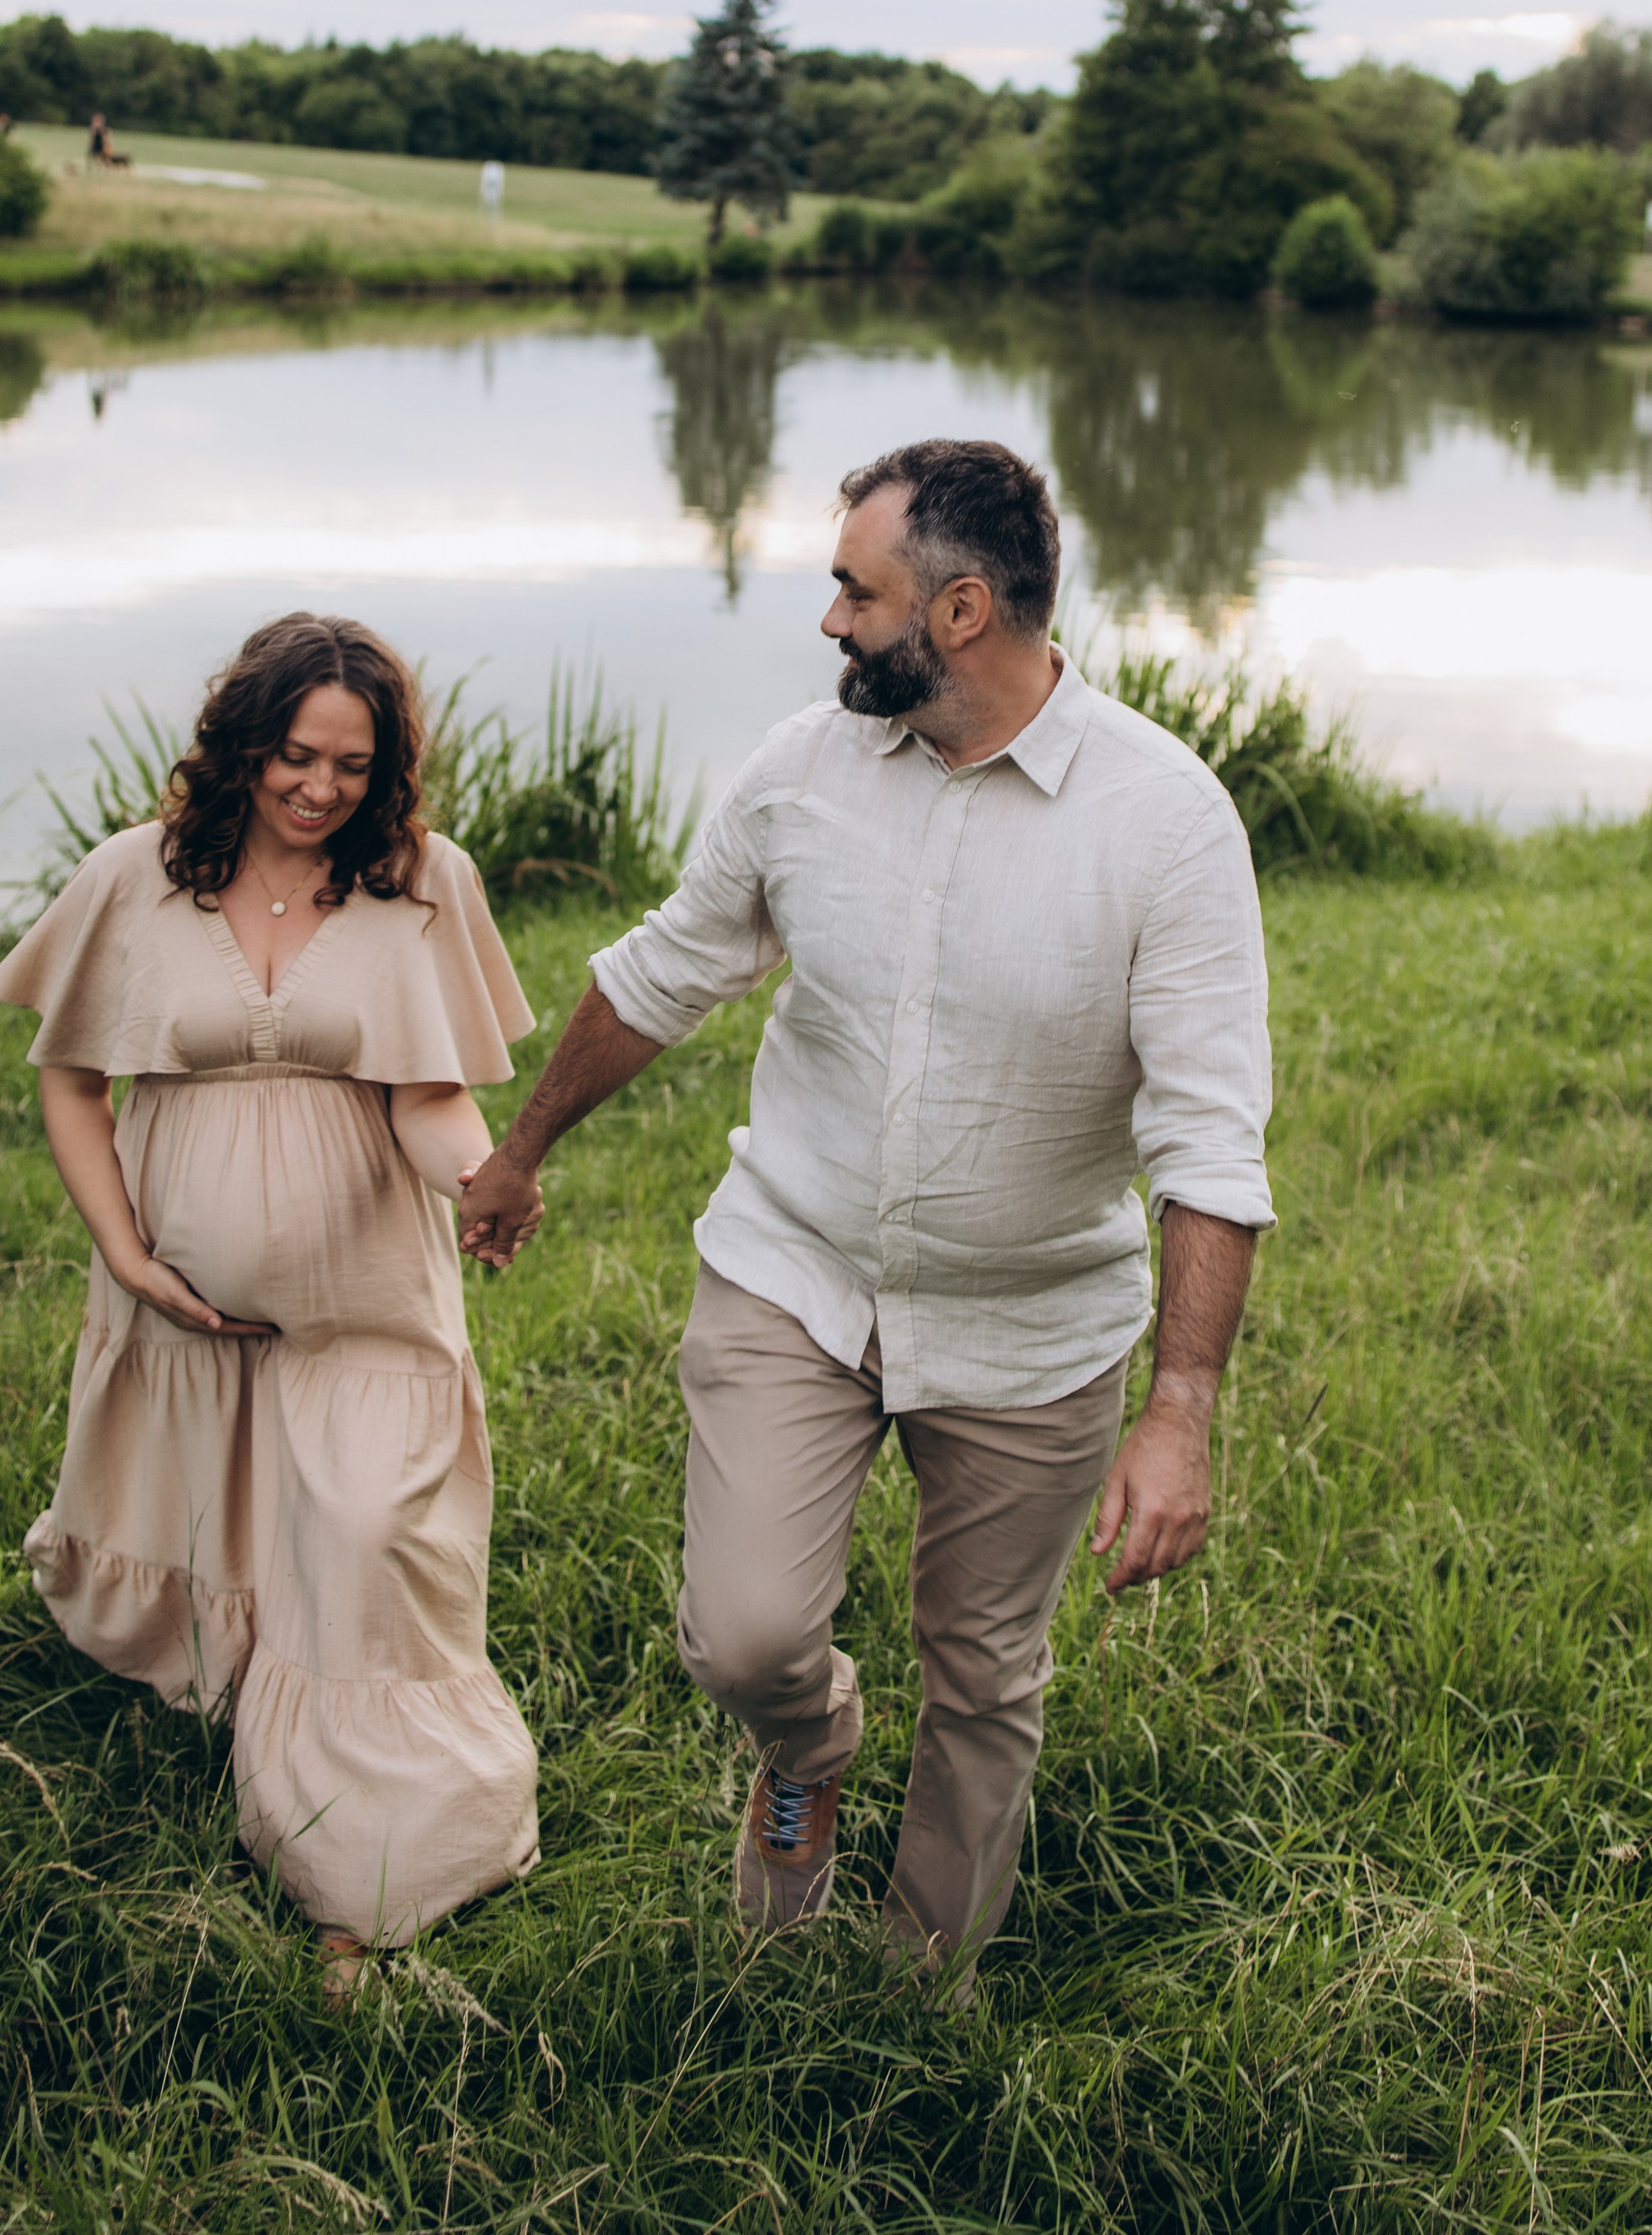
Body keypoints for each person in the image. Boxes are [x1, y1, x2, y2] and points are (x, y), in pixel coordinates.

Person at [459, 439, 1274, 1994]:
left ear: (962, 610)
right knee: (745, 1633)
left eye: (856, 590)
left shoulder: (1168, 825)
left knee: (985, 1677)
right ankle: (807, 1750)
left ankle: (922, 1980)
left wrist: (1183, 1408)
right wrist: (523, 1149)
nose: (829, 621)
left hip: (1034, 1324)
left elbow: (1208, 1140)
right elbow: (662, 971)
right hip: (798, 1273)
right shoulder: (799, 773)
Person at [0, 611, 541, 1980]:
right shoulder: (138, 879)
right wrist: (125, 1251)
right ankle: (244, 1705)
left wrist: (481, 1179)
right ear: (241, 743)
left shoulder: (421, 882)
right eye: (296, 756)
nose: (320, 790)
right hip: (180, 1305)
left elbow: (426, 1093)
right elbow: (71, 1079)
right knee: (229, 1526)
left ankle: (373, 1867)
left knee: (361, 1544)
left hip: (368, 1303)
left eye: (353, 766)